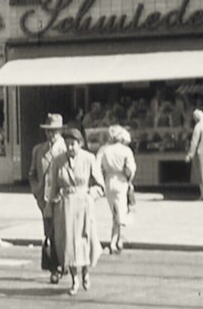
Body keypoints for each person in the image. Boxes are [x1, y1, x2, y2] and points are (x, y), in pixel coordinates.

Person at [48, 128, 104, 296]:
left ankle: (85, 272)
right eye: (67, 144)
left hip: (84, 206)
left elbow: (100, 186)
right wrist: (50, 207)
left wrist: (90, 195)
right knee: (68, 244)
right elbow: (53, 188)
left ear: (80, 144)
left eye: (73, 144)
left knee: (84, 240)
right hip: (65, 208)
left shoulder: (89, 159)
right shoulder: (58, 161)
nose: (70, 148)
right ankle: (74, 279)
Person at [28, 113, 66, 284]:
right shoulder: (38, 150)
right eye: (48, 131)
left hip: (62, 200)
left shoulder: (67, 150)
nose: (51, 135)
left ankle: (65, 264)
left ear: (61, 132)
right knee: (50, 234)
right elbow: (32, 174)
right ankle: (54, 268)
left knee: (62, 234)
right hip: (45, 200)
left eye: (55, 131)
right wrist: (37, 193)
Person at [98, 125, 136, 254]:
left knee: (114, 211)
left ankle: (115, 239)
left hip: (109, 181)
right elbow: (131, 169)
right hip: (121, 181)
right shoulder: (126, 151)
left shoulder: (104, 150)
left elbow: (97, 167)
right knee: (120, 211)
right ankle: (115, 241)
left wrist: (100, 182)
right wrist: (129, 179)